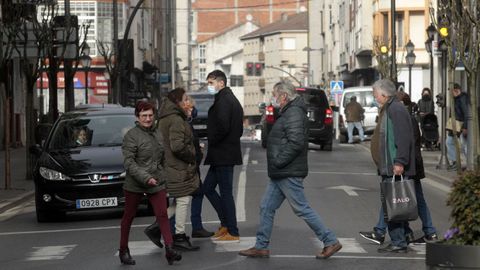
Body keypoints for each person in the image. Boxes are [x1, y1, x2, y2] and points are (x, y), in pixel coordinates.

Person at [238, 81, 342, 259]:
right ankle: (261, 246)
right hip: (282, 172)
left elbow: (296, 142)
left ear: (284, 96)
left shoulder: (293, 113)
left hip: (288, 170)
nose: (274, 99)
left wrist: (279, 161)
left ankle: (330, 240)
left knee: (301, 208)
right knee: (266, 207)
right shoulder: (289, 111)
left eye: (275, 95)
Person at [359, 91, 438, 247]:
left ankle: (389, 233)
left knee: (397, 200)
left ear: (402, 104)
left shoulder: (405, 118)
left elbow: (409, 145)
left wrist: (402, 163)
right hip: (408, 167)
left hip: (408, 167)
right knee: (400, 200)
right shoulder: (402, 116)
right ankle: (414, 232)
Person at [120, 100, 181, 265]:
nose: (147, 119)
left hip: (157, 181)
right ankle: (123, 250)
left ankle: (169, 249)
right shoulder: (131, 135)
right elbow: (129, 163)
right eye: (144, 116)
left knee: (162, 215)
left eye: (150, 115)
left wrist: (163, 177)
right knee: (129, 216)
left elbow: (161, 159)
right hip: (136, 183)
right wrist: (146, 178)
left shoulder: (158, 133)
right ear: (137, 117)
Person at [367, 79, 416, 253]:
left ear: (383, 94)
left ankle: (398, 241)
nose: (374, 96)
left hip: (394, 164)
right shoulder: (389, 108)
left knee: (394, 203)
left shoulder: (396, 109)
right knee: (395, 203)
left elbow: (403, 137)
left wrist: (400, 162)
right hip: (389, 164)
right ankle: (400, 238)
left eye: (375, 94)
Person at [203, 70, 244, 242]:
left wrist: (211, 138)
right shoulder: (228, 99)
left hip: (223, 153)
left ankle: (232, 230)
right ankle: (226, 224)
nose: (209, 87)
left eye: (211, 83)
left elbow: (223, 127)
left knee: (226, 193)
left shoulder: (224, 101)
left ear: (221, 83)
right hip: (223, 153)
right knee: (208, 188)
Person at [185, 96, 214, 238]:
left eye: (192, 108)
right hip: (186, 167)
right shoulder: (183, 123)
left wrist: (198, 151)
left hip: (190, 166)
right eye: (189, 108)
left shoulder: (186, 122)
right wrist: (196, 152)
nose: (192, 111)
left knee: (194, 194)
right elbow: (180, 146)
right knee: (183, 197)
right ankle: (161, 227)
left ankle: (196, 226)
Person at [446, 83, 468, 171]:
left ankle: (471, 164)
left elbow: (466, 114)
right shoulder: (456, 99)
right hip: (455, 126)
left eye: (451, 91)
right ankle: (455, 162)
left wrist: (465, 127)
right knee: (449, 142)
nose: (450, 94)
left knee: (465, 145)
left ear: (456, 90)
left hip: (462, 126)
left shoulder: (462, 99)